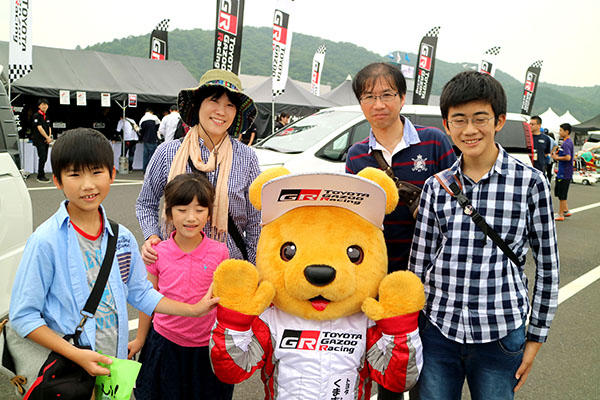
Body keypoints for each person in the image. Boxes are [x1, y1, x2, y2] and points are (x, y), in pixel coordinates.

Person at [9, 128, 220, 380]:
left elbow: (141, 293)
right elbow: (23, 316)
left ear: (112, 174)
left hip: (114, 366)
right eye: (75, 174)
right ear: (58, 180)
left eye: (97, 172)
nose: (88, 185)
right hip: (69, 371)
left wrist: (194, 310)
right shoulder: (45, 241)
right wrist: (77, 355)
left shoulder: (121, 238)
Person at [409, 71, 560, 400]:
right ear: (446, 125)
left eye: (480, 118)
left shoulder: (530, 183)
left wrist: (536, 338)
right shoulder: (437, 186)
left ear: (499, 120)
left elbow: (549, 267)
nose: (469, 130)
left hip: (500, 334)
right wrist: (410, 329)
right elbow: (418, 265)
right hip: (437, 330)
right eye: (458, 120)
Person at [344, 62, 456, 399]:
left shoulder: (434, 142)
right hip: (382, 279)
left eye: (387, 94)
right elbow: (355, 220)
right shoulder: (356, 156)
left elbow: (457, 200)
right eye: (369, 96)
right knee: (389, 367)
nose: (379, 104)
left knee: (430, 369)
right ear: (361, 103)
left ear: (402, 97)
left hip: (432, 278)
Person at [137, 69, 261, 265]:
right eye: (214, 101)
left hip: (229, 270)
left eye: (230, 105)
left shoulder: (247, 158)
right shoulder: (167, 152)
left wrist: (254, 268)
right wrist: (152, 236)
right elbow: (145, 203)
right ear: (197, 105)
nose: (221, 111)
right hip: (175, 268)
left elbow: (256, 221)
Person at [129, 173, 232, 399]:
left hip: (206, 348)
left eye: (199, 210)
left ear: (209, 213)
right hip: (165, 343)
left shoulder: (220, 252)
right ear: (169, 212)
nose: (191, 218)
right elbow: (149, 298)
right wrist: (140, 339)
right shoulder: (157, 252)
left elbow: (226, 302)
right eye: (182, 209)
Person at [552, 123, 574, 221]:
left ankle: (560, 214)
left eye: (561, 130)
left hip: (564, 172)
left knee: (562, 193)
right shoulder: (567, 142)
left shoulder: (566, 143)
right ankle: (565, 210)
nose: (559, 132)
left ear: (566, 132)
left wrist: (557, 157)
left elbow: (568, 157)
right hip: (564, 171)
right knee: (561, 192)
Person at [31, 98, 52, 182]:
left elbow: (49, 127)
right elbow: (39, 128)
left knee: (45, 158)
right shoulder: (36, 115)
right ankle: (40, 176)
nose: (44, 106)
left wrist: (49, 137)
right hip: (39, 140)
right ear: (39, 106)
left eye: (46, 104)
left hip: (46, 140)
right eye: (42, 104)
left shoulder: (46, 116)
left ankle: (41, 174)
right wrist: (47, 137)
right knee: (42, 157)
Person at [139, 108, 161, 173]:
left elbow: (141, 130)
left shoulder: (142, 119)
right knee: (152, 156)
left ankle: (144, 170)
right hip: (153, 139)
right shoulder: (154, 118)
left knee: (145, 155)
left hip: (145, 140)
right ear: (151, 112)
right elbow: (159, 126)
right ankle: (151, 170)